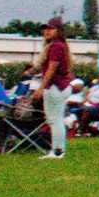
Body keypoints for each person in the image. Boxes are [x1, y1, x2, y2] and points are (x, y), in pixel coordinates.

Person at [32, 18, 74, 159]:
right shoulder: (60, 45)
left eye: (51, 28)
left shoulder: (55, 46)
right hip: (60, 86)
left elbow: (51, 69)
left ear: (58, 31)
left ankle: (57, 151)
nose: (47, 31)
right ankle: (58, 150)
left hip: (54, 87)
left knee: (54, 120)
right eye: (46, 29)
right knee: (57, 119)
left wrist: (40, 88)